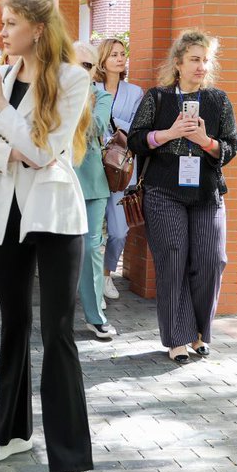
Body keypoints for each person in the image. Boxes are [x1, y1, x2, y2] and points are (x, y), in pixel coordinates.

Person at [0, 0, 95, 472]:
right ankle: (12, 433)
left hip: (56, 216)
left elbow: (46, 152)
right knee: (14, 323)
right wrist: (11, 149)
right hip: (6, 214)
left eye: (11, 23)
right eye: (2, 22)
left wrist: (2, 110)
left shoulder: (72, 78)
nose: (2, 32)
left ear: (37, 29)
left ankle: (74, 466)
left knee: (57, 332)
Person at [127, 30, 237, 363]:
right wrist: (170, 133)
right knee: (173, 260)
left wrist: (206, 141)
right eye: (194, 59)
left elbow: (230, 147)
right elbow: (135, 140)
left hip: (206, 193)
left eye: (205, 60)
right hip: (163, 192)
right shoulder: (158, 98)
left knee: (211, 260)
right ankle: (177, 338)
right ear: (178, 63)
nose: (201, 66)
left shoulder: (218, 100)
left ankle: (201, 331)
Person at [94, 37, 145, 299]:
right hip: (91, 166)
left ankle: (106, 274)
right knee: (88, 230)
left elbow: (137, 128)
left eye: (122, 54)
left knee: (118, 231)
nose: (119, 58)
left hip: (120, 168)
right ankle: (86, 277)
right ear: (102, 59)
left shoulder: (135, 92)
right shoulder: (89, 87)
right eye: (113, 54)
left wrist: (112, 122)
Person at [73, 41, 116, 340]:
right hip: (55, 181)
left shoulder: (101, 96)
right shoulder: (50, 92)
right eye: (75, 64)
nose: (81, 70)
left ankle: (95, 316)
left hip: (91, 181)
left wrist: (73, 103)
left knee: (90, 248)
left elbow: (97, 127)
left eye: (87, 66)